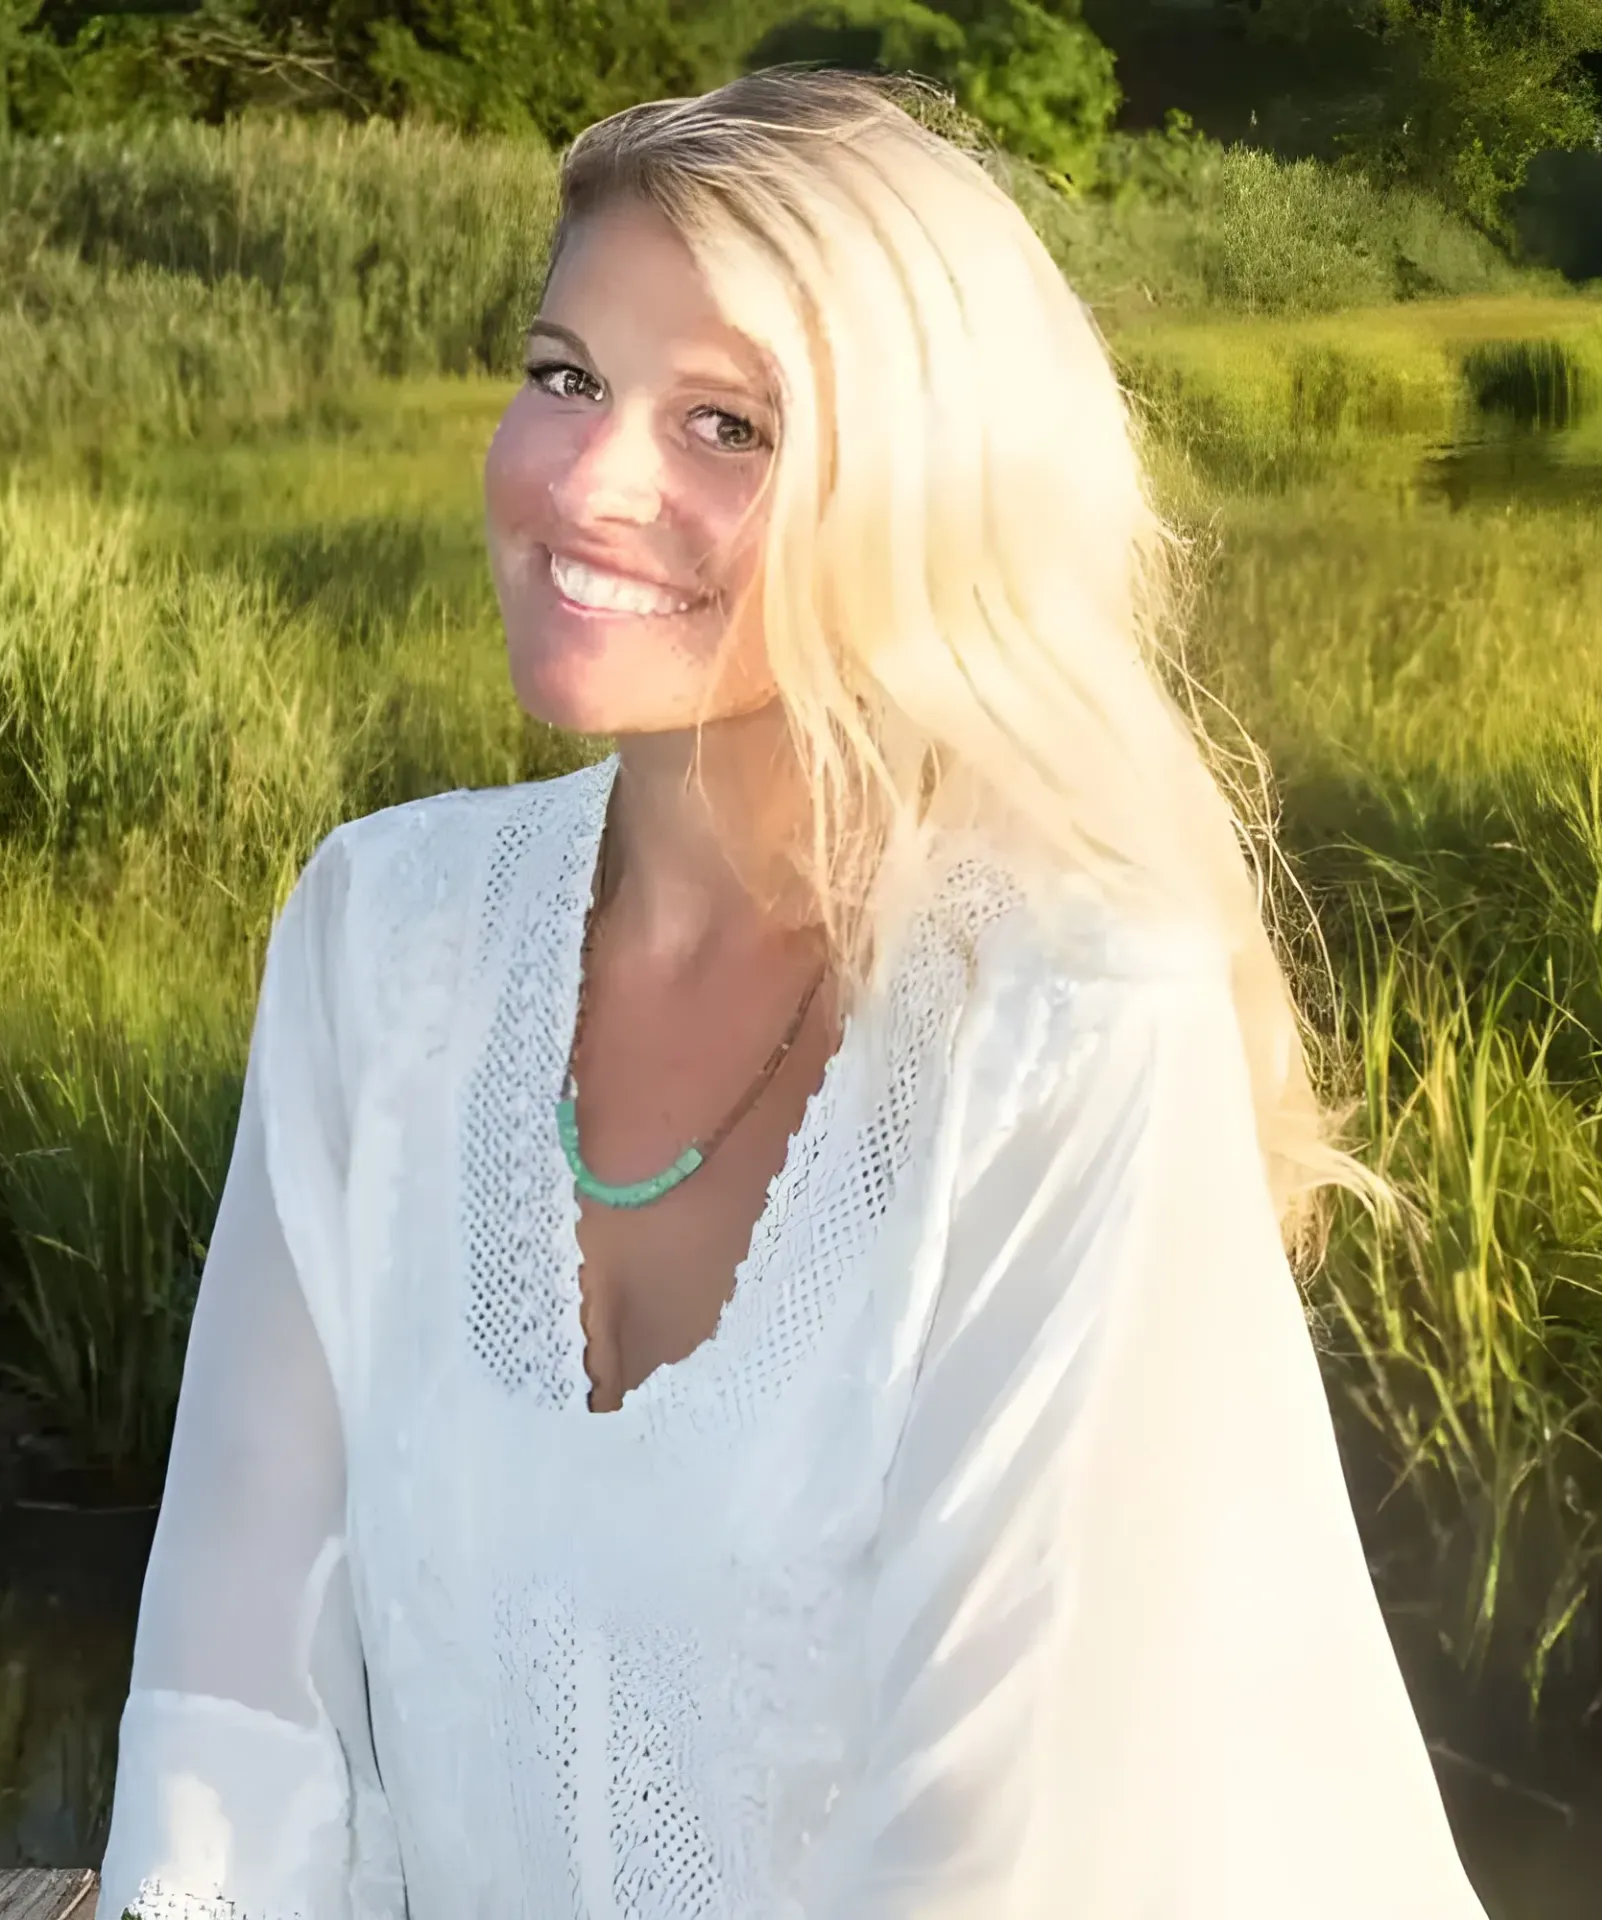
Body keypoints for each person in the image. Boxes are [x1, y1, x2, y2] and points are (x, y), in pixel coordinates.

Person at [94, 70, 1491, 1920]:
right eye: (566, 373)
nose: (587, 478)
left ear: (926, 498)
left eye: (728, 424)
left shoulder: (1063, 1017)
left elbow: (989, 1848)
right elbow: (231, 1697)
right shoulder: (383, 936)